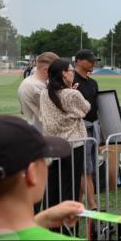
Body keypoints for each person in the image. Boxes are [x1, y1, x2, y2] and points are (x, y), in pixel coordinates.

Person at [39, 59, 89, 208]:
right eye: (71, 71)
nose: (73, 73)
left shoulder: (44, 93)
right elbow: (86, 108)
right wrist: (74, 92)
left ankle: (52, 223)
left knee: (52, 187)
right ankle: (67, 227)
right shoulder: (71, 95)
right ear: (64, 74)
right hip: (72, 146)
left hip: (52, 145)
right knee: (69, 188)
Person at [72, 50, 101, 211]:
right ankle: (93, 206)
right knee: (86, 169)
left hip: (93, 127)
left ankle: (79, 203)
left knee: (89, 168)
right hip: (79, 129)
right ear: (79, 61)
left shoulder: (93, 82)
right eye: (90, 61)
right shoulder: (71, 81)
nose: (93, 63)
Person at [18, 51, 59, 131]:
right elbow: (55, 111)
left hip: (35, 130)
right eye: (56, 69)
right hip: (39, 133)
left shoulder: (35, 82)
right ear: (46, 70)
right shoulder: (35, 86)